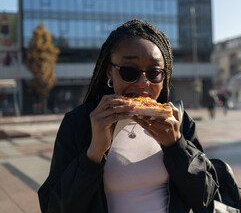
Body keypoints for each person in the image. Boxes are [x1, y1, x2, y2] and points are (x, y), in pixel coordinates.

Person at [38, 19, 218, 213]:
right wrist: (94, 153)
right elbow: (53, 208)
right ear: (109, 72)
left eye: (154, 72)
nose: (143, 83)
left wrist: (177, 146)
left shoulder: (178, 122)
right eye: (129, 71)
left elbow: (206, 200)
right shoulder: (80, 123)